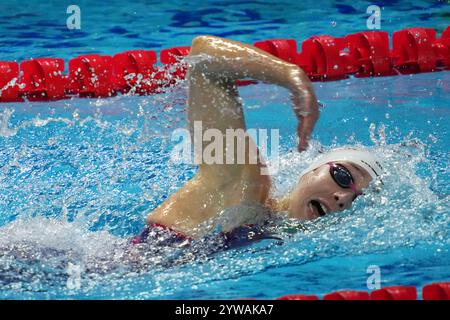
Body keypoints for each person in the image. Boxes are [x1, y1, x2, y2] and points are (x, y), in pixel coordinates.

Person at [134, 35, 384, 247]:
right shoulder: (246, 181)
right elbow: (204, 57)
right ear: (311, 170)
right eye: (343, 176)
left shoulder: (276, 234)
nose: (343, 198)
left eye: (358, 200)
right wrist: (292, 76)